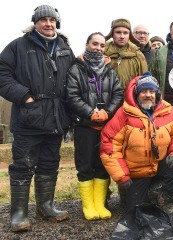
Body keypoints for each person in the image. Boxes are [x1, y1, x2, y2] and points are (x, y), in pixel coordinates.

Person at [0, 5, 75, 232]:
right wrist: (24, 97)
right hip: (28, 118)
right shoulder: (18, 46)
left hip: (56, 118)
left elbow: (74, 78)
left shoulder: (64, 48)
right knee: (22, 165)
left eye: (52, 20)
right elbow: (2, 74)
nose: (48, 23)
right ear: (35, 22)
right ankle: (19, 213)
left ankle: (46, 206)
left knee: (49, 164)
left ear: (57, 23)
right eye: (43, 19)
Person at [99, 72, 173, 214]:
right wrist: (121, 176)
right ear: (137, 94)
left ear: (157, 94)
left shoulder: (169, 111)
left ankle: (166, 199)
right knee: (136, 211)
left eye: (151, 91)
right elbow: (109, 146)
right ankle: (128, 193)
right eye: (143, 91)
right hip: (136, 173)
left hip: (160, 165)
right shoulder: (123, 114)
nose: (148, 95)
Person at [66, 32, 124, 220]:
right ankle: (88, 206)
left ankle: (100, 204)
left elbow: (118, 93)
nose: (98, 48)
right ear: (87, 44)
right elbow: (72, 96)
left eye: (101, 45)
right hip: (84, 126)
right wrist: (91, 113)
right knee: (85, 165)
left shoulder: (109, 69)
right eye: (94, 44)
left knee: (102, 165)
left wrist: (108, 111)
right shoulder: (76, 68)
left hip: (106, 127)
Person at [105, 18, 148, 89]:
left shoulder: (138, 55)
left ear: (129, 35)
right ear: (112, 34)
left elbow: (144, 81)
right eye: (118, 32)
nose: (122, 36)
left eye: (125, 33)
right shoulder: (102, 53)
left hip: (130, 97)